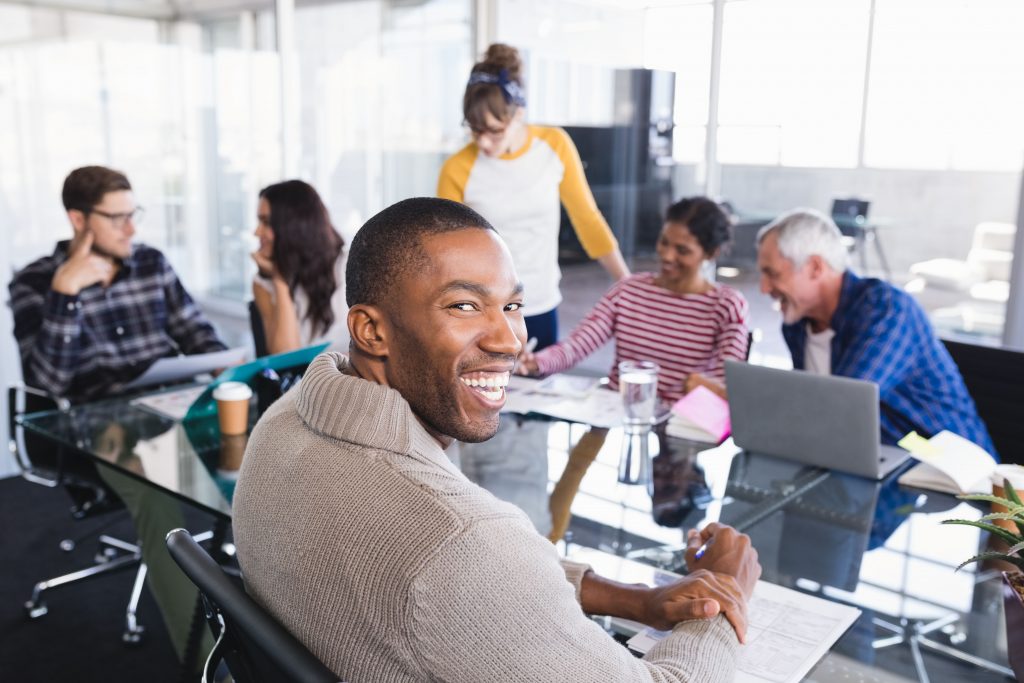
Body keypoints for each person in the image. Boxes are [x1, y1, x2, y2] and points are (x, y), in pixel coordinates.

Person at [233, 197, 761, 682]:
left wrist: (636, 600)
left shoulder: (279, 423)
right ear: (373, 331)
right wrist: (725, 594)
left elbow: (496, 579)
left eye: (511, 306)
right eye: (464, 306)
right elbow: (469, 564)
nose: (510, 341)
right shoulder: (457, 541)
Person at [517, 197, 750, 541]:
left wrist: (701, 384)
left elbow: (733, 385)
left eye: (682, 250)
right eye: (664, 243)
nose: (667, 256)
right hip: (611, 419)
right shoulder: (629, 290)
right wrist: (535, 363)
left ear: (710, 253)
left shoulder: (725, 305)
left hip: (679, 431)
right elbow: (580, 343)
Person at [756, 208, 996, 456]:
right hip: (877, 460)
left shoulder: (886, 310)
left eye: (772, 274)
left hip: (948, 466)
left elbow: (841, 406)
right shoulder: (797, 324)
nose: (763, 288)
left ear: (815, 267)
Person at [437, 43, 629, 350]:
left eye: (494, 131)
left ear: (519, 114)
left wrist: (626, 283)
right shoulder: (457, 168)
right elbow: (447, 250)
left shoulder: (554, 146)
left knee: (541, 395)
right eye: (475, 130)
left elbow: (587, 219)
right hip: (483, 311)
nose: (484, 142)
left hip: (540, 303)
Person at [8, 165, 226, 402]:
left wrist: (224, 365)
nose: (131, 230)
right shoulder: (33, 282)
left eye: (132, 215)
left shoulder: (151, 262)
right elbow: (47, 384)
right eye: (117, 219)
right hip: (98, 423)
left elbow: (194, 331)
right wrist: (64, 294)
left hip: (173, 405)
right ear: (78, 219)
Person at [251, 179, 348, 355]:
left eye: (265, 222)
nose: (256, 232)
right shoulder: (263, 283)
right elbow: (285, 356)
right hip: (303, 381)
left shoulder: (346, 267)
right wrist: (280, 280)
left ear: (293, 226)